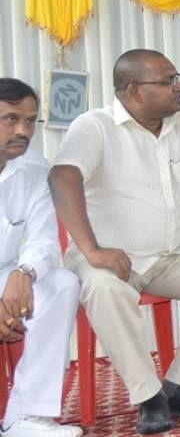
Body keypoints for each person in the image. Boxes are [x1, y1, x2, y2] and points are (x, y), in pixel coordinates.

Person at [49, 50, 180, 435]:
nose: (179, 87)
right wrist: (92, 250)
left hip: (176, 254)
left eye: (176, 77)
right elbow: (63, 178)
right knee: (102, 288)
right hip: (113, 258)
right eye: (168, 81)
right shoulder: (94, 125)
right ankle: (148, 397)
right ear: (134, 91)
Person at [0, 79, 82, 437]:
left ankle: (26, 416)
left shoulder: (33, 166)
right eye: (10, 119)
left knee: (62, 283)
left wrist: (25, 273)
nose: (23, 130)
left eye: (31, 121)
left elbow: (45, 239)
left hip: (7, 272)